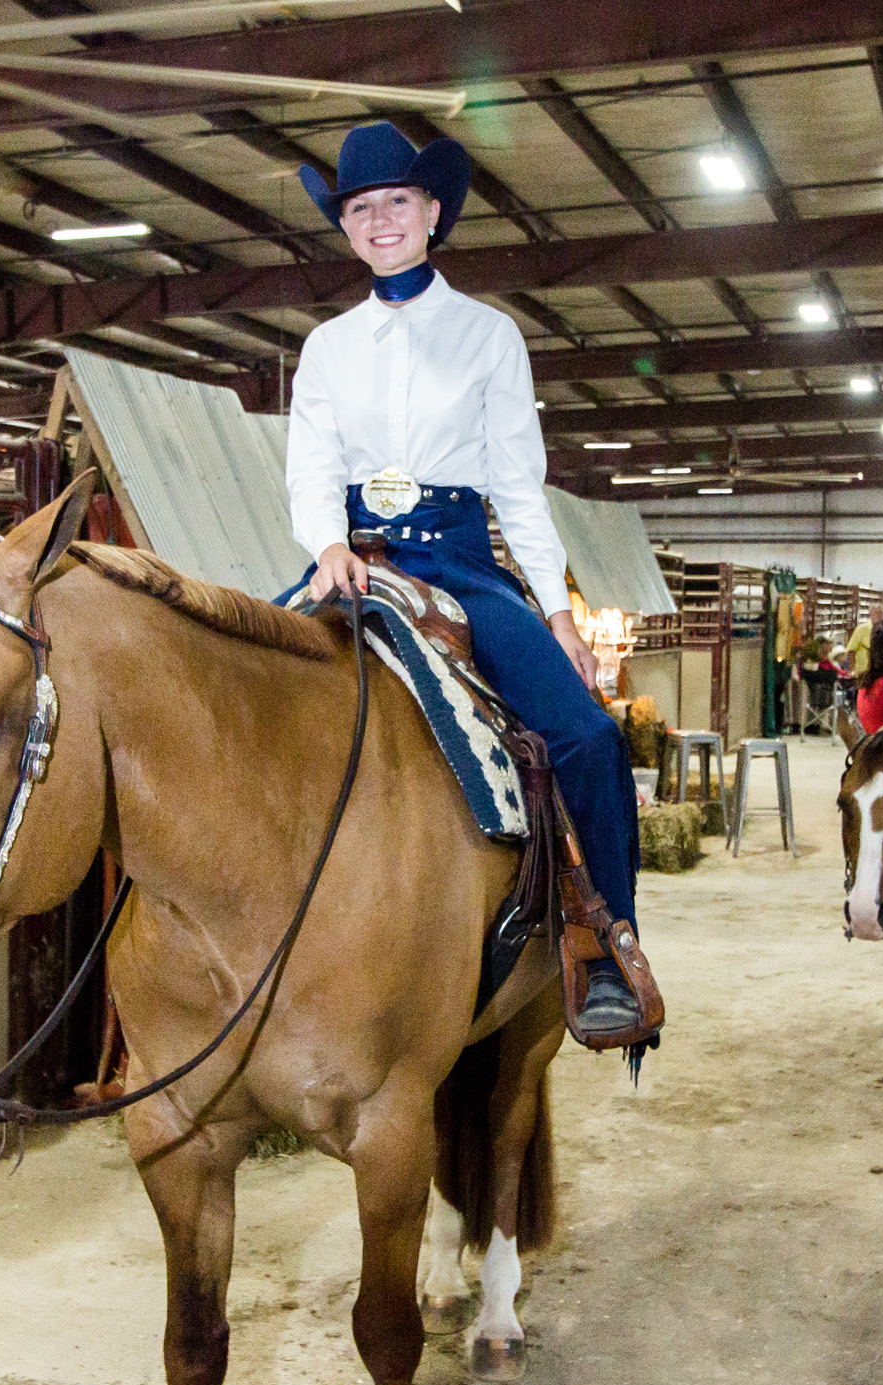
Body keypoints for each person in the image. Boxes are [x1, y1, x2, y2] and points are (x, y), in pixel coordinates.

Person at [283, 121, 655, 1041]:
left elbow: (518, 489)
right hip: (354, 559)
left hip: (457, 561)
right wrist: (327, 542)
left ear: (433, 212)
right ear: (346, 227)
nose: (379, 222)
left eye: (396, 203)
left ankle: (606, 948)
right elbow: (308, 466)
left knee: (588, 736)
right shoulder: (327, 347)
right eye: (361, 209)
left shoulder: (491, 337)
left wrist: (559, 612)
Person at [843, 603, 883, 677]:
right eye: (876, 613)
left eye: (881, 613)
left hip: (880, 673)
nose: (879, 616)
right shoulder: (862, 629)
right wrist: (852, 670)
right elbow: (851, 651)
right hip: (863, 673)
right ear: (870, 614)